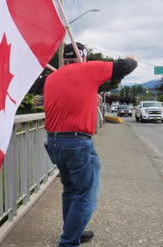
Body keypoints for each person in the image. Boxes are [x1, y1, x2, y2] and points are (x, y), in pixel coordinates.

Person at [43, 42, 137, 247]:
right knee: (86, 195)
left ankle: (73, 232)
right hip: (77, 143)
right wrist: (133, 60)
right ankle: (68, 242)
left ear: (64, 59)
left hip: (55, 142)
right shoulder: (88, 70)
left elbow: (67, 100)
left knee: (70, 190)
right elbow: (125, 66)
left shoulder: (52, 78)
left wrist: (89, 96)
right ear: (83, 57)